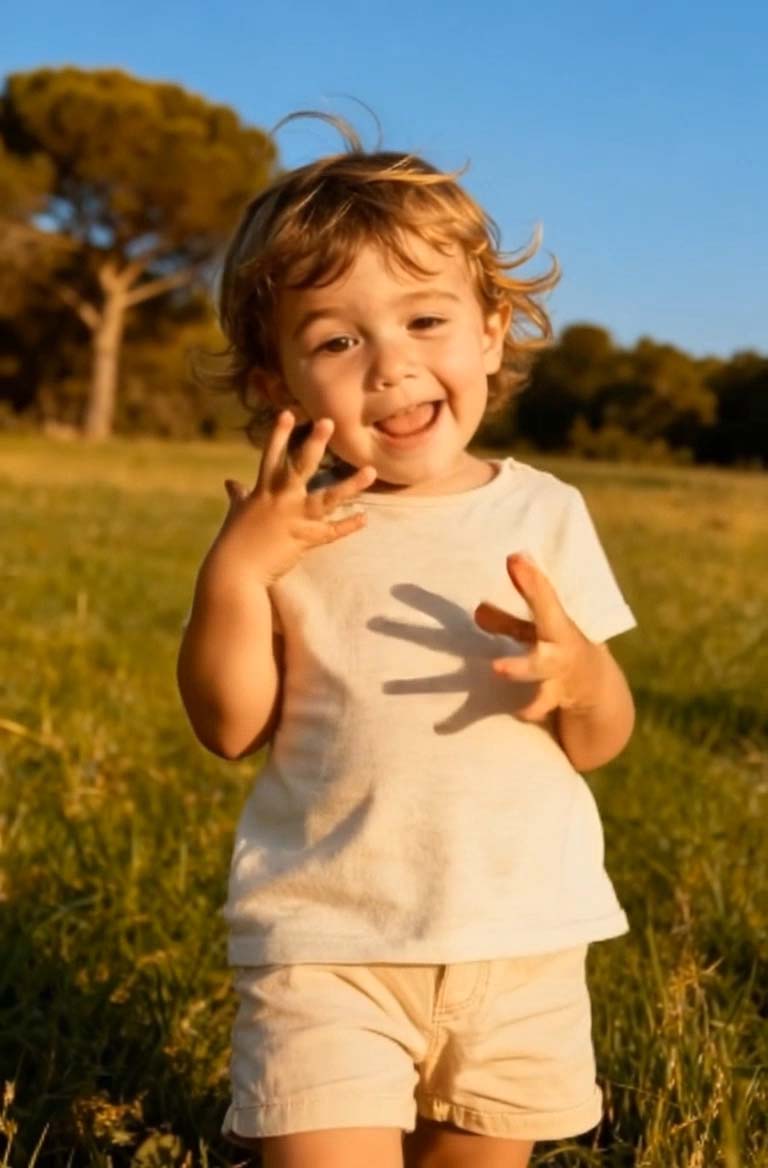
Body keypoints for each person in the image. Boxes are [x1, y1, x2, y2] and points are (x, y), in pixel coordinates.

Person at [177, 112, 636, 1168]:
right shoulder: (286, 532)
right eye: (337, 341)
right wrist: (236, 573)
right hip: (327, 944)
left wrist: (581, 675)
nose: (391, 365)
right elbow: (227, 725)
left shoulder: (545, 512)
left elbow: (600, 739)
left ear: (491, 333)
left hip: (521, 942)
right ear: (275, 382)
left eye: (426, 320)